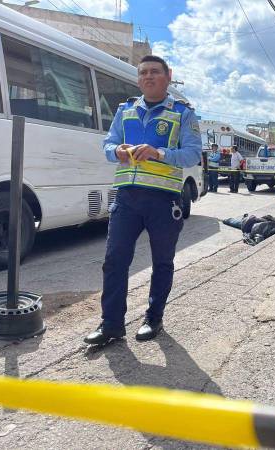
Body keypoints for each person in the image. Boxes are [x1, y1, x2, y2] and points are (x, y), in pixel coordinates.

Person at [84, 55, 202, 345]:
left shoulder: (182, 113)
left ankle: (154, 318)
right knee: (114, 261)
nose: (148, 77)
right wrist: (118, 151)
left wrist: (159, 152)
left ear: (168, 76)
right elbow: (107, 144)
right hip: (126, 197)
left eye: (154, 72)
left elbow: (192, 153)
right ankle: (111, 324)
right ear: (138, 80)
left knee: (162, 262)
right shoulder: (125, 110)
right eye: (143, 73)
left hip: (164, 200)